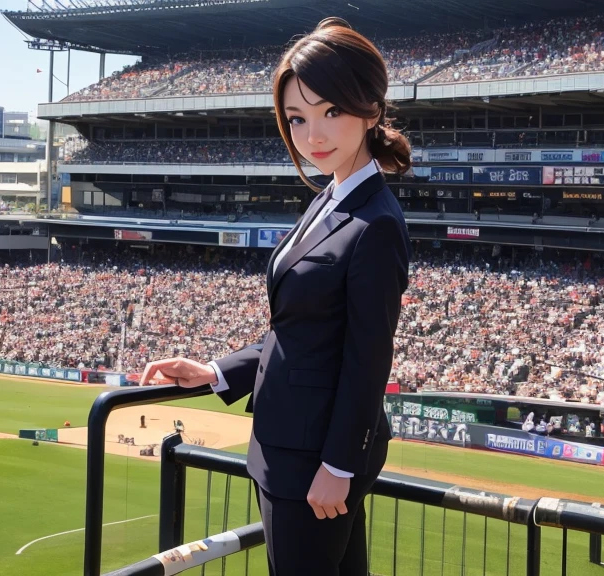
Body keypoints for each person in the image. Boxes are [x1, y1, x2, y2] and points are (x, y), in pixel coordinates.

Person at [139, 17, 411, 576]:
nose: (313, 135)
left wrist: (339, 462)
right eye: (297, 117)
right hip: (291, 448)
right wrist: (217, 371)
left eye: (331, 110)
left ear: (370, 108)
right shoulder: (329, 197)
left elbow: (368, 359)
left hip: (314, 462)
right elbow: (297, 329)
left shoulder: (374, 222)